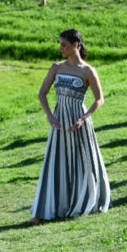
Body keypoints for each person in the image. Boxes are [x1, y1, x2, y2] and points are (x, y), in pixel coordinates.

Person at [29, 30, 110, 224]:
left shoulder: (88, 71)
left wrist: (84, 118)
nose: (61, 48)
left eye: (64, 44)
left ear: (76, 45)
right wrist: (50, 116)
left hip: (78, 120)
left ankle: (84, 202)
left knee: (83, 161)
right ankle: (45, 211)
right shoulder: (56, 68)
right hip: (59, 121)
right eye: (60, 44)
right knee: (56, 163)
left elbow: (99, 100)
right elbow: (42, 94)